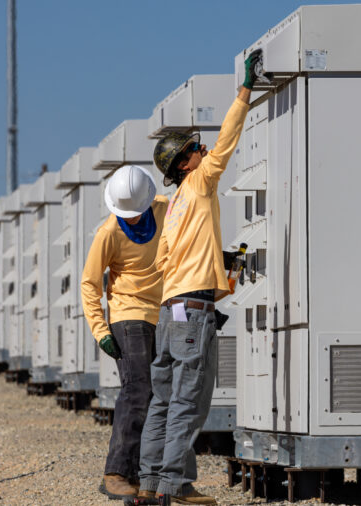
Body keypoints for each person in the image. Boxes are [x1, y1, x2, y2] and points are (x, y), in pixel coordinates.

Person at [137, 49, 262, 505]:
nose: (201, 148)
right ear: (183, 164)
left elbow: (165, 260)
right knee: (190, 401)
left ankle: (149, 483)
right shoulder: (201, 181)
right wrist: (246, 90)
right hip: (192, 310)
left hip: (170, 312)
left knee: (163, 402)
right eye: (193, 148)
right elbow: (228, 138)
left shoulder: (173, 208)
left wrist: (213, 259)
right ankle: (176, 486)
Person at [80, 165, 169, 502]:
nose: (131, 219)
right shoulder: (108, 233)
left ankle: (151, 474)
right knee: (137, 389)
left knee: (163, 393)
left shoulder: (166, 211)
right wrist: (100, 330)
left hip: (163, 312)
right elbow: (89, 284)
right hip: (127, 314)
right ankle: (117, 472)